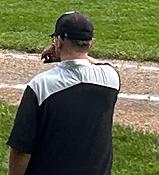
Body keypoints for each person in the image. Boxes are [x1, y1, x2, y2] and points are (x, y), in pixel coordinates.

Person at [7, 11, 119, 175]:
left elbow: (21, 149)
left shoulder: (41, 86)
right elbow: (100, 64)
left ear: (59, 42)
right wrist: (72, 54)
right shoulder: (111, 79)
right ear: (91, 44)